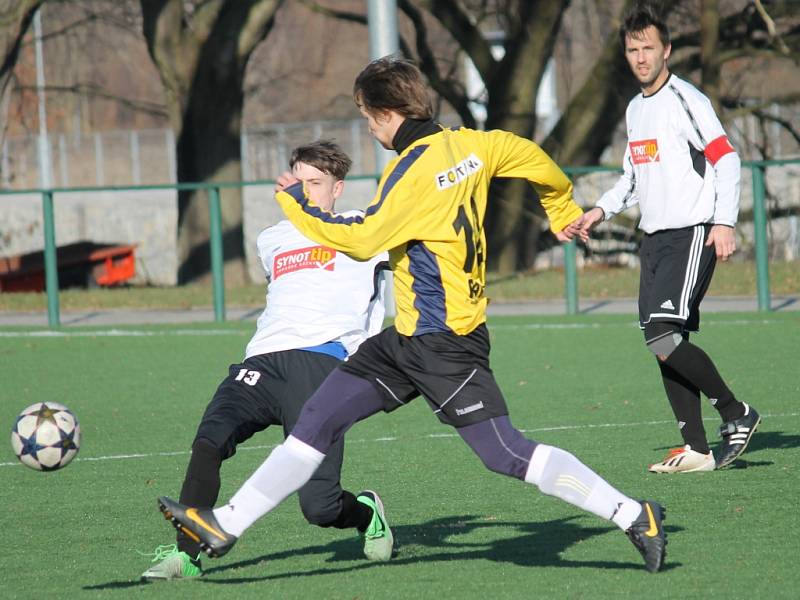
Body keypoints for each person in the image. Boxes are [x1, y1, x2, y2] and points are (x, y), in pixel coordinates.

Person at [157, 56, 668, 574]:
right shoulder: (471, 143)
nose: (369, 126)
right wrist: (561, 210)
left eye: (367, 115)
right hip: (405, 340)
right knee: (315, 419)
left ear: (386, 113)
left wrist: (296, 204)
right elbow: (534, 158)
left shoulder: (410, 172)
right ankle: (225, 524)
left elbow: (362, 239)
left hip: (445, 343)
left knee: (505, 453)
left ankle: (633, 513)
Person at [141, 140, 392, 581]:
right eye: (299, 182)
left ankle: (365, 512)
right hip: (261, 361)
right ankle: (187, 554)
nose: (307, 191)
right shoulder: (271, 238)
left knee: (320, 507)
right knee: (208, 442)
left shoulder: (366, 228)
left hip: (323, 368)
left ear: (337, 189)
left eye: (317, 183)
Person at [579, 3, 760, 473]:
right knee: (661, 340)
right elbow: (632, 177)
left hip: (691, 233)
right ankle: (697, 449)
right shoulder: (635, 109)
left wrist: (724, 222)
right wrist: (600, 209)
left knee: (662, 333)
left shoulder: (688, 100)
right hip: (653, 239)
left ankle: (735, 412)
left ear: (667, 51)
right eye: (633, 49)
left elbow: (728, 159)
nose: (640, 57)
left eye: (649, 48)